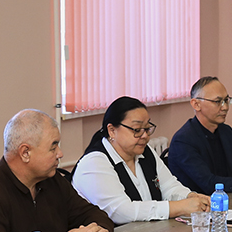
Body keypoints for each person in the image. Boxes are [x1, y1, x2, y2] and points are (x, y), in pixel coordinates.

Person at [72, 96, 210, 225]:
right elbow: (120, 211)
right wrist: (179, 207)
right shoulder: (94, 163)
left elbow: (169, 186)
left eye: (147, 129)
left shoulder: (145, 151)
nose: (144, 136)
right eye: (137, 130)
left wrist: (190, 197)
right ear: (112, 130)